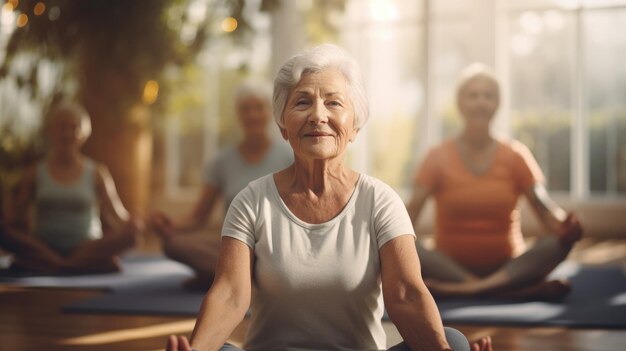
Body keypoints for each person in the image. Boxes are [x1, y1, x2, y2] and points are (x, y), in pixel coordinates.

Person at [165, 44, 490, 351]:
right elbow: (231, 294)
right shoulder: (252, 200)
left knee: (453, 342)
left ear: (355, 126)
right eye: (302, 102)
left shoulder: (380, 200)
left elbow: (405, 293)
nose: (317, 115)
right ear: (283, 126)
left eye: (334, 102)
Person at [406, 63, 583, 300]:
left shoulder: (516, 155)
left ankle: (468, 291)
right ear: (460, 103)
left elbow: (546, 211)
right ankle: (512, 292)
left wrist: (567, 227)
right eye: (473, 96)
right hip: (448, 268)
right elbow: (408, 217)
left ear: (497, 104)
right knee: (405, 245)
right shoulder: (436, 156)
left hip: (509, 267)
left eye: (488, 96)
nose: (480, 102)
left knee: (558, 243)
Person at [150, 80, 293, 290]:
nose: (252, 115)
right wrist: (168, 226)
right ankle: (243, 277)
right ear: (238, 114)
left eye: (259, 108)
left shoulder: (289, 156)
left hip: (276, 247)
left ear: (270, 112)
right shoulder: (222, 162)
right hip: (234, 245)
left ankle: (222, 277)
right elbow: (198, 217)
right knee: (174, 243)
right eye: (246, 109)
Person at [0, 101, 142, 274]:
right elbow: (15, 218)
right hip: (43, 246)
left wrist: (133, 224)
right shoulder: (34, 173)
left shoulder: (98, 172)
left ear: (83, 132)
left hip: (87, 247)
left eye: (73, 127)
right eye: (62, 127)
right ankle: (74, 265)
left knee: (131, 237)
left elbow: (118, 215)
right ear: (52, 130)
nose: (67, 133)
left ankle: (53, 265)